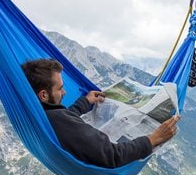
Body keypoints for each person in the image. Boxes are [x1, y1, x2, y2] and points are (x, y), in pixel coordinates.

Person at [21, 59, 179, 169]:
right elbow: (113, 155)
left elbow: (65, 118)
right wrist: (151, 140)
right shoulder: (59, 121)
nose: (64, 92)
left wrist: (85, 101)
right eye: (60, 88)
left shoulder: (37, 113)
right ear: (43, 95)